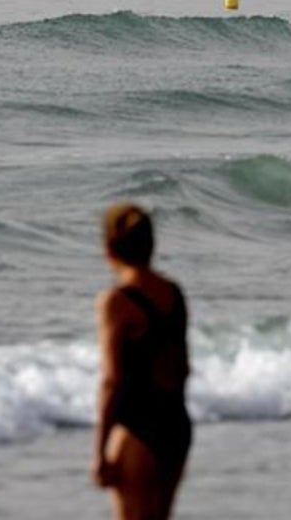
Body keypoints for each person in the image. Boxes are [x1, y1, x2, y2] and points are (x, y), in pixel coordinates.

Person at [91, 203, 191, 520]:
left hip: (137, 429)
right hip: (176, 425)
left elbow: (112, 380)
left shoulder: (116, 301)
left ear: (109, 249)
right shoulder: (174, 293)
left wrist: (100, 452)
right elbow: (182, 367)